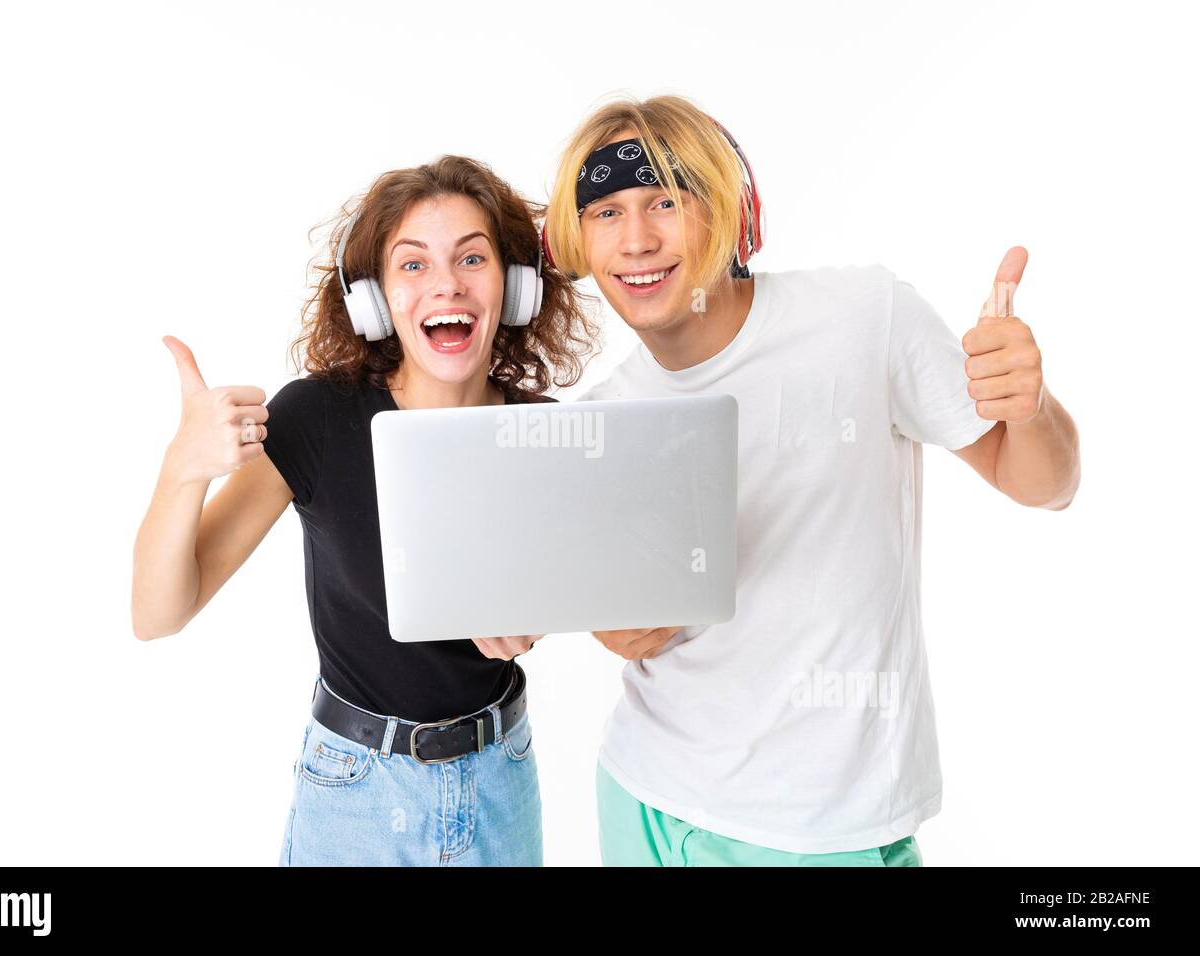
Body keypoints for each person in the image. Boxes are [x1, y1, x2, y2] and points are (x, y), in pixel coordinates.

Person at [543, 94, 1081, 866]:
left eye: (667, 200)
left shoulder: (864, 317)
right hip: (643, 799)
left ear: (730, 213)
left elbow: (1044, 485)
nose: (636, 239)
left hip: (824, 834)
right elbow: (618, 628)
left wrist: (1028, 410)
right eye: (606, 212)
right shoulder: (606, 416)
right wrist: (619, 630)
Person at [132, 154, 598, 866]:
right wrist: (182, 468)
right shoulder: (316, 420)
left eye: (472, 258)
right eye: (412, 265)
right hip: (355, 793)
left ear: (515, 287)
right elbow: (157, 614)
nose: (446, 283)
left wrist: (535, 609)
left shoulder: (546, 435)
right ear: (374, 301)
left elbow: (611, 594)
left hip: (501, 781)